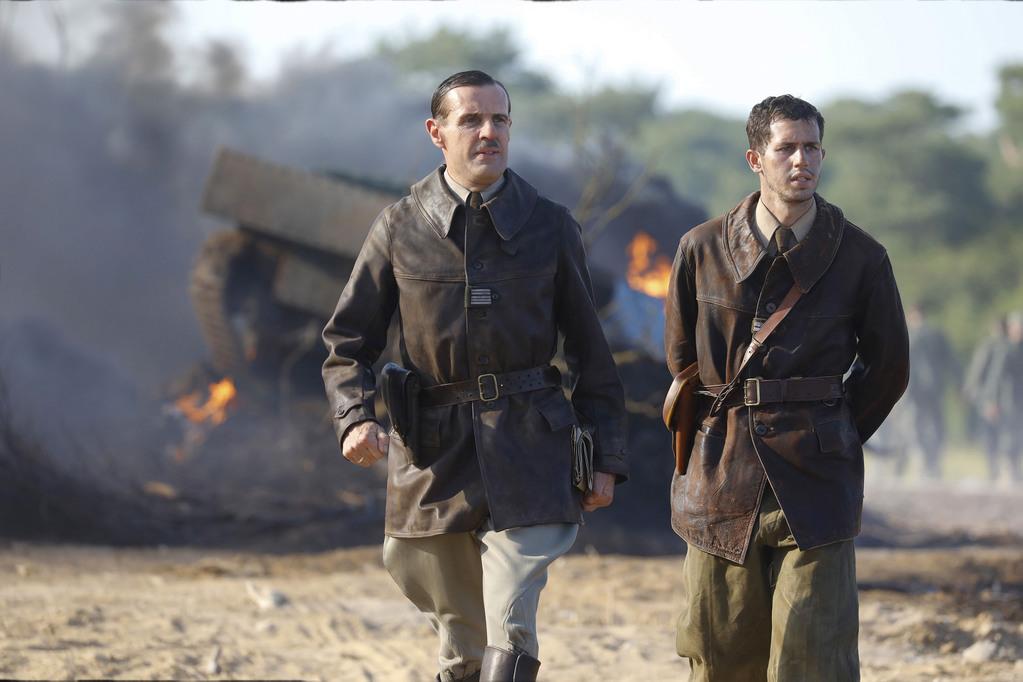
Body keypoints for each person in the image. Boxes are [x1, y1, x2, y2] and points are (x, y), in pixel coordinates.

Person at [321, 70, 627, 682]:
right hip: (433, 453)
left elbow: (591, 354)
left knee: (511, 622)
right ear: (437, 132)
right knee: (463, 647)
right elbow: (346, 341)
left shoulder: (550, 225)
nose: (489, 132)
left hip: (533, 444)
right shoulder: (399, 226)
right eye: (471, 120)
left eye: (500, 120)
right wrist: (355, 416)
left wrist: (607, 457)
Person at [664, 95, 909, 681]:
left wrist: (836, 429)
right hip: (721, 479)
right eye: (786, 148)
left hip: (818, 483)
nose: (802, 160)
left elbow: (888, 369)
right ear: (756, 157)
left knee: (813, 659)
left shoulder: (862, 257)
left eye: (812, 147)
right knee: (719, 655)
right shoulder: (701, 248)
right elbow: (681, 363)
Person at [890, 303, 957, 479]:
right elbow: (951, 361)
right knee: (935, 426)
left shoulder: (906, 334)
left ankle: (913, 465)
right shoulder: (937, 334)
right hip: (934, 389)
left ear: (912, 315)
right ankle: (933, 464)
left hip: (911, 389)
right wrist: (957, 385)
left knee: (910, 426)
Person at [979, 311, 1023, 482]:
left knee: (1018, 436)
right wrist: (992, 401)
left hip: (1020, 401)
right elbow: (995, 377)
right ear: (1011, 329)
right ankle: (1007, 471)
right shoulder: (1004, 349)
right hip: (1006, 400)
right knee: (1007, 435)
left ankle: (1015, 470)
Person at [963, 316, 1008, 479]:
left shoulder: (989, 346)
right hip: (1005, 400)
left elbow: (977, 371)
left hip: (990, 398)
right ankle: (1002, 470)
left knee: (991, 436)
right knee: (1002, 435)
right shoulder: (1012, 345)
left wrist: (969, 392)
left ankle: (994, 470)